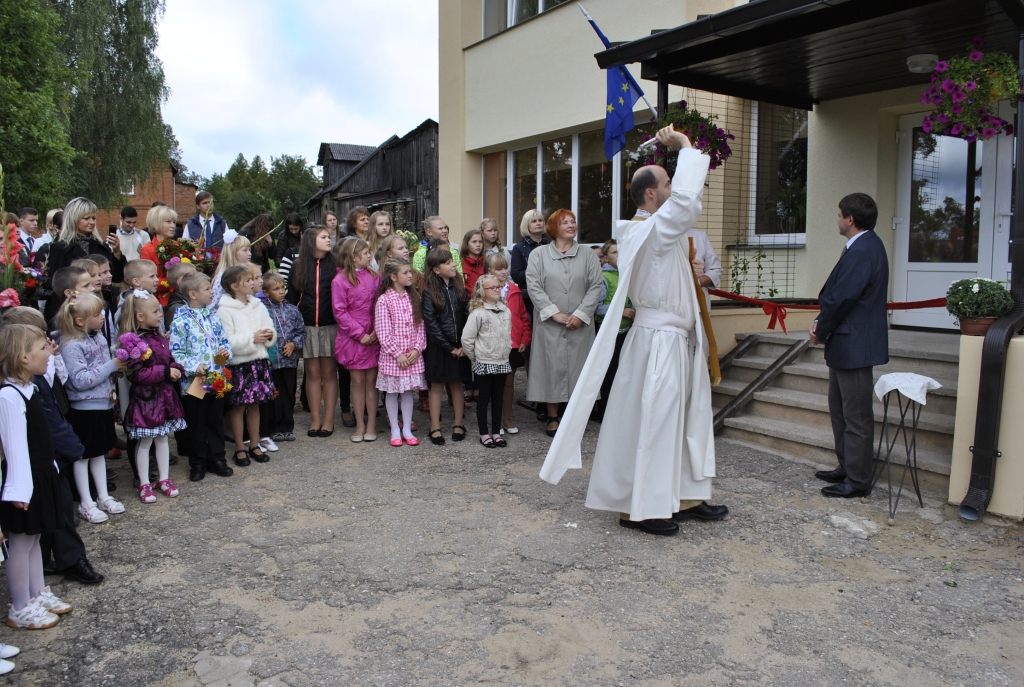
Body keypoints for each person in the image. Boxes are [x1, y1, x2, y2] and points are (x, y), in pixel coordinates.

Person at [540, 127, 726, 537]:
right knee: (656, 421)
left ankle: (684, 496)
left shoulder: (659, 229)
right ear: (651, 196)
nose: (674, 188)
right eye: (667, 183)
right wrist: (686, 148)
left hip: (676, 339)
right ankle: (640, 507)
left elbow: (684, 208)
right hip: (658, 341)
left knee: (681, 420)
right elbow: (687, 206)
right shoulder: (648, 231)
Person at [2, 308, 104, 587]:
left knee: (52, 515)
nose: (49, 347)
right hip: (38, 463)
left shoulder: (33, 377)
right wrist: (72, 445)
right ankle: (45, 578)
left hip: (50, 457)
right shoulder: (14, 392)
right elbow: (42, 422)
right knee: (44, 521)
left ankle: (56, 565)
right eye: (42, 343)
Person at [811, 193, 888, 499]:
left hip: (855, 345)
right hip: (847, 344)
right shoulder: (863, 246)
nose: (837, 219)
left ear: (850, 219)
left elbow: (842, 297)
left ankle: (857, 480)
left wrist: (821, 328)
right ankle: (847, 466)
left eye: (839, 214)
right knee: (840, 410)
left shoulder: (863, 249)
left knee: (855, 416)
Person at [0, 324, 72, 630]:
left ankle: (36, 592)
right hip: (23, 481)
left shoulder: (30, 386)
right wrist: (19, 489)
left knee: (35, 538)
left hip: (40, 474)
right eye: (43, 348)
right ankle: (20, 605)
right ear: (22, 357)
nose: (50, 352)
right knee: (21, 541)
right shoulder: (9, 395)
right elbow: (14, 445)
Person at [525, 209, 603, 437]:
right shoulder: (538, 255)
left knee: (579, 369)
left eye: (574, 222)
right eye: (565, 222)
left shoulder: (588, 255)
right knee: (551, 368)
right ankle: (552, 417)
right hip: (551, 325)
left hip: (580, 325)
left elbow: (595, 286)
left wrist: (580, 314)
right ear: (554, 227)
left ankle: (574, 417)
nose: (572, 225)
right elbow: (534, 286)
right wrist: (553, 313)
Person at [54, 294, 126, 524]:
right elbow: (80, 380)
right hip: (84, 408)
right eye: (96, 315)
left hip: (103, 402)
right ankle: (86, 501)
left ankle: (103, 495)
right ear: (79, 321)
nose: (102, 317)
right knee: (83, 455)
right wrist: (111, 366)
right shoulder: (71, 346)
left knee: (99, 451)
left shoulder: (99, 339)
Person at [117, 291, 187, 503]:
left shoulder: (159, 337)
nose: (160, 314)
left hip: (164, 397)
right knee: (145, 441)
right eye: (155, 311)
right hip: (146, 401)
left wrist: (175, 368)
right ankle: (144, 482)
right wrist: (166, 372)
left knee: (163, 438)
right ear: (140, 316)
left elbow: (169, 359)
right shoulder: (134, 342)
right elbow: (137, 374)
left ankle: (164, 479)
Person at [169, 272, 234, 482]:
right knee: (197, 420)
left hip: (215, 377)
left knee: (215, 419)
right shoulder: (180, 321)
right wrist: (191, 367)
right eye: (207, 289)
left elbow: (223, 343)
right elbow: (177, 352)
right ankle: (198, 461)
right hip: (196, 380)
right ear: (193, 294)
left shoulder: (213, 317)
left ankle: (218, 458)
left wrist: (225, 355)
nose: (211, 292)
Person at [218, 266, 277, 466]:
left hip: (258, 362)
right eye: (247, 281)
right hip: (240, 365)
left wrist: (269, 336)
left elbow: (270, 327)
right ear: (234, 286)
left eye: (253, 279)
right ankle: (239, 447)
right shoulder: (225, 309)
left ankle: (254, 444)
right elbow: (227, 341)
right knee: (238, 406)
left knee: (255, 404)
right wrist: (252, 338)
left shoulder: (257, 305)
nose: (253, 283)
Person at [287, 226, 342, 437]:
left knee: (329, 373)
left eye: (329, 237)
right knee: (312, 374)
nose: (329, 240)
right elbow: (291, 300)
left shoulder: (336, 265)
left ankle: (328, 420)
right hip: (307, 327)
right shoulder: (297, 266)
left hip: (330, 326)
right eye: (324, 237)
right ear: (311, 241)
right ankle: (315, 420)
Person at [331, 238, 381, 443]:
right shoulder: (339, 281)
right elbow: (340, 311)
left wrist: (378, 329)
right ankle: (360, 423)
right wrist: (361, 334)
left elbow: (380, 303)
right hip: (354, 337)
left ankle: (371, 424)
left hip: (374, 334)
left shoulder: (375, 276)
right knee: (358, 382)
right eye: (366, 252)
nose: (370, 256)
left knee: (372, 382)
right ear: (354, 257)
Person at [374, 259, 426, 447]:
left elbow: (420, 327)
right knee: (392, 392)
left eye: (410, 272)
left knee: (407, 392)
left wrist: (416, 349)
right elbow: (382, 331)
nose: (410, 275)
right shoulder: (384, 300)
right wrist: (398, 353)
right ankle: (395, 428)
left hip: (412, 356)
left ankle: (406, 429)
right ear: (393, 277)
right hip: (393, 358)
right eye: (405, 273)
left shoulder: (415, 298)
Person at [422, 249, 470, 445]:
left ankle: (459, 424)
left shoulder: (460, 289)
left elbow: (468, 316)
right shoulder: (428, 292)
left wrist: (463, 345)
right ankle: (435, 426)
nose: (453, 265)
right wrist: (449, 347)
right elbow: (431, 323)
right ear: (436, 269)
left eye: (453, 261)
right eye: (448, 262)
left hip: (460, 347)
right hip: (439, 347)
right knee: (437, 386)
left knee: (457, 384)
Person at [461, 275, 512, 448]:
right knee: (484, 399)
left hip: (502, 361)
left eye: (499, 287)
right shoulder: (478, 313)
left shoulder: (506, 311)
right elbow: (467, 339)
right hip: (484, 362)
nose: (497, 290)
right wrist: (476, 358)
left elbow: (508, 334)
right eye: (493, 288)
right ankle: (484, 433)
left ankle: (496, 432)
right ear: (483, 291)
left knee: (498, 399)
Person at [484, 253, 530, 434]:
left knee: (509, 383)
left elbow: (523, 317)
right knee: (494, 383)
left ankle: (507, 418)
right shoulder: (484, 291)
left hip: (512, 344)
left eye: (505, 268)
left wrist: (525, 339)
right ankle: (494, 420)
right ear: (489, 271)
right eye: (499, 268)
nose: (504, 271)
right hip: (493, 345)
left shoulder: (514, 291)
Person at [45, 197, 126, 291]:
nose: (91, 222)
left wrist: (116, 252)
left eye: (93, 218)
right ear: (74, 219)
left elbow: (117, 277)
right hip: (74, 301)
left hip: (101, 301)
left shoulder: (102, 246)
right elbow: (56, 284)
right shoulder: (61, 248)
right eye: (86, 218)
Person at [593, 239, 634, 421]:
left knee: (624, 371)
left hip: (628, 331)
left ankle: (620, 410)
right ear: (606, 258)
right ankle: (604, 412)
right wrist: (621, 311)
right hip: (609, 332)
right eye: (614, 252)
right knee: (609, 372)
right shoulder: (604, 278)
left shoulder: (629, 275)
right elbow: (597, 307)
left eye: (621, 251)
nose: (619, 255)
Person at [261, 271, 304, 443]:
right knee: (273, 394)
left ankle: (287, 426)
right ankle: (274, 427)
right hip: (271, 362)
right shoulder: (262, 310)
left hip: (288, 360)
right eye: (276, 289)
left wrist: (294, 344)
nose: (281, 292)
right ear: (266, 292)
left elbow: (301, 331)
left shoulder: (293, 310)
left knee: (288, 392)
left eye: (283, 288)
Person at [138, 205, 181, 306]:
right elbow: (148, 280)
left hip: (180, 297)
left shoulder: (177, 246)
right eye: (168, 222)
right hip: (160, 301)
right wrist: (175, 283)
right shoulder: (147, 250)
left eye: (174, 222)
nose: (173, 226)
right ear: (156, 223)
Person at [510, 209, 549, 316]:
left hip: (551, 295)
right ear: (526, 225)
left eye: (540, 220)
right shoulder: (519, 248)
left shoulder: (552, 245)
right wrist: (535, 271)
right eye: (534, 221)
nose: (538, 223)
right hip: (529, 299)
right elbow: (516, 275)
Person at [210, 230, 251, 312]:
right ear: (233, 252)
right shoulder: (223, 276)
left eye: (249, 250)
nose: (249, 253)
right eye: (245, 250)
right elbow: (213, 305)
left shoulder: (248, 273)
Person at [163, 261, 198, 332]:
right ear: (180, 282)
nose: (199, 278)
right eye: (193, 276)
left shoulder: (195, 299)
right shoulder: (176, 309)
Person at [459, 229, 485, 294]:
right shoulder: (460, 263)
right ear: (467, 245)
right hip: (466, 301)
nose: (478, 245)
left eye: (480, 242)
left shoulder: (486, 263)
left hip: (483, 300)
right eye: (474, 242)